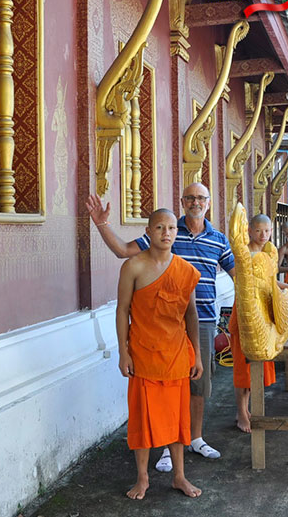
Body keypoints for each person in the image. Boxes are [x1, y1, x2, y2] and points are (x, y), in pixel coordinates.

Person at [87, 182, 235, 472]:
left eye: (201, 198)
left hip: (200, 317)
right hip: (155, 329)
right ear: (183, 201)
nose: (196, 202)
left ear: (208, 202)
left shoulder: (218, 238)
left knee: (196, 384)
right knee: (156, 394)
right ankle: (167, 448)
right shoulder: (165, 227)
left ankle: (195, 437)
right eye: (190, 198)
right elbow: (122, 251)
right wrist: (103, 224)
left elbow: (237, 273)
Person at [116, 209, 203, 499]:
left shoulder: (186, 270)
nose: (166, 233)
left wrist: (198, 356)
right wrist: (122, 353)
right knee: (142, 419)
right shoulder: (133, 267)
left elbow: (191, 314)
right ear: (149, 231)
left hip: (177, 354)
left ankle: (179, 476)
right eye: (159, 228)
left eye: (171, 228)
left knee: (178, 421)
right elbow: (122, 310)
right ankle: (142, 478)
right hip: (142, 354)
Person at [232, 214, 288, 432]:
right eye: (258, 231)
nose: (263, 235)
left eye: (267, 231)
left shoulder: (267, 253)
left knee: (255, 366)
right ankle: (241, 413)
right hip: (247, 313)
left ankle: (246, 409)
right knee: (243, 367)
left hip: (264, 312)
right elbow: (246, 285)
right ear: (249, 230)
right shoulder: (244, 254)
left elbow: (269, 282)